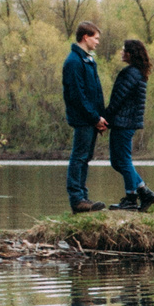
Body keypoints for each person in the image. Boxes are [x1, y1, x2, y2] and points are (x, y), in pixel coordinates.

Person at [105, 39, 154, 212]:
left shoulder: (130, 73)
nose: (121, 52)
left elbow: (118, 99)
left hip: (124, 122)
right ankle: (143, 191)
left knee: (123, 161)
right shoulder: (138, 73)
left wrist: (104, 118)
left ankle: (130, 199)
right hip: (125, 122)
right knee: (117, 162)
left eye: (123, 50)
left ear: (130, 53)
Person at [61, 22, 109, 212]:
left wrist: (100, 117)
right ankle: (77, 199)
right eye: (96, 38)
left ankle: (83, 197)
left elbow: (95, 92)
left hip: (91, 119)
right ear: (85, 37)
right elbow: (77, 96)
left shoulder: (87, 60)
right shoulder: (74, 61)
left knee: (85, 157)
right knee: (79, 157)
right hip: (83, 119)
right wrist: (94, 117)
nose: (97, 42)